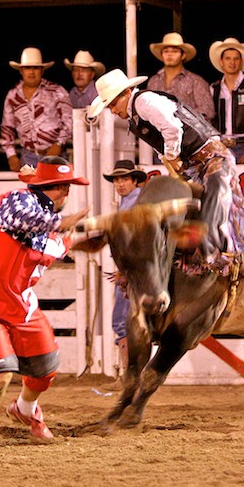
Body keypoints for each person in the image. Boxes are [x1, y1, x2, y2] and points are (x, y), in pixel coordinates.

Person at [0, 156, 90, 453]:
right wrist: (67, 222)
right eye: (57, 186)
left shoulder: (54, 228)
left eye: (66, 185)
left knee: (44, 366)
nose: (65, 192)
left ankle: (26, 408)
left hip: (18, 302)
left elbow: (65, 239)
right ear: (41, 187)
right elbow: (24, 221)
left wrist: (94, 232)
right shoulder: (15, 200)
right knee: (0, 375)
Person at [88, 69, 244, 276]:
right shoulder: (136, 115)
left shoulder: (145, 102)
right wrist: (174, 167)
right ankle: (208, 259)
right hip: (196, 163)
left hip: (212, 157)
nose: (112, 111)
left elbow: (172, 128)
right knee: (199, 209)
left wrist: (172, 156)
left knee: (218, 204)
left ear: (125, 93)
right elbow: (162, 146)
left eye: (112, 105)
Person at [102, 159, 146, 372]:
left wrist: (125, 268)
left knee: (123, 322)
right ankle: (133, 376)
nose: (120, 184)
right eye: (116, 180)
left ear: (134, 181)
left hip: (133, 268)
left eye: (124, 179)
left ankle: (130, 377)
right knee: (128, 321)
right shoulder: (130, 201)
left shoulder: (134, 202)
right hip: (136, 266)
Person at [1, 47, 73, 171]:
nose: (31, 72)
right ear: (21, 71)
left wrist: (58, 144)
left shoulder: (56, 91)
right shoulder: (13, 96)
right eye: (28, 68)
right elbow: (7, 127)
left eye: (36, 68)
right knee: (31, 190)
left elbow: (70, 120)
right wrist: (11, 155)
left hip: (55, 154)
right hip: (28, 155)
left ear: (42, 70)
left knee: (58, 189)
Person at [146, 32, 215, 121]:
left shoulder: (196, 81)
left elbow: (208, 111)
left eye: (175, 51)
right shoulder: (153, 81)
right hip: (158, 133)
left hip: (187, 132)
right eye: (166, 51)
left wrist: (179, 116)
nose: (169, 54)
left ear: (183, 55)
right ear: (161, 55)